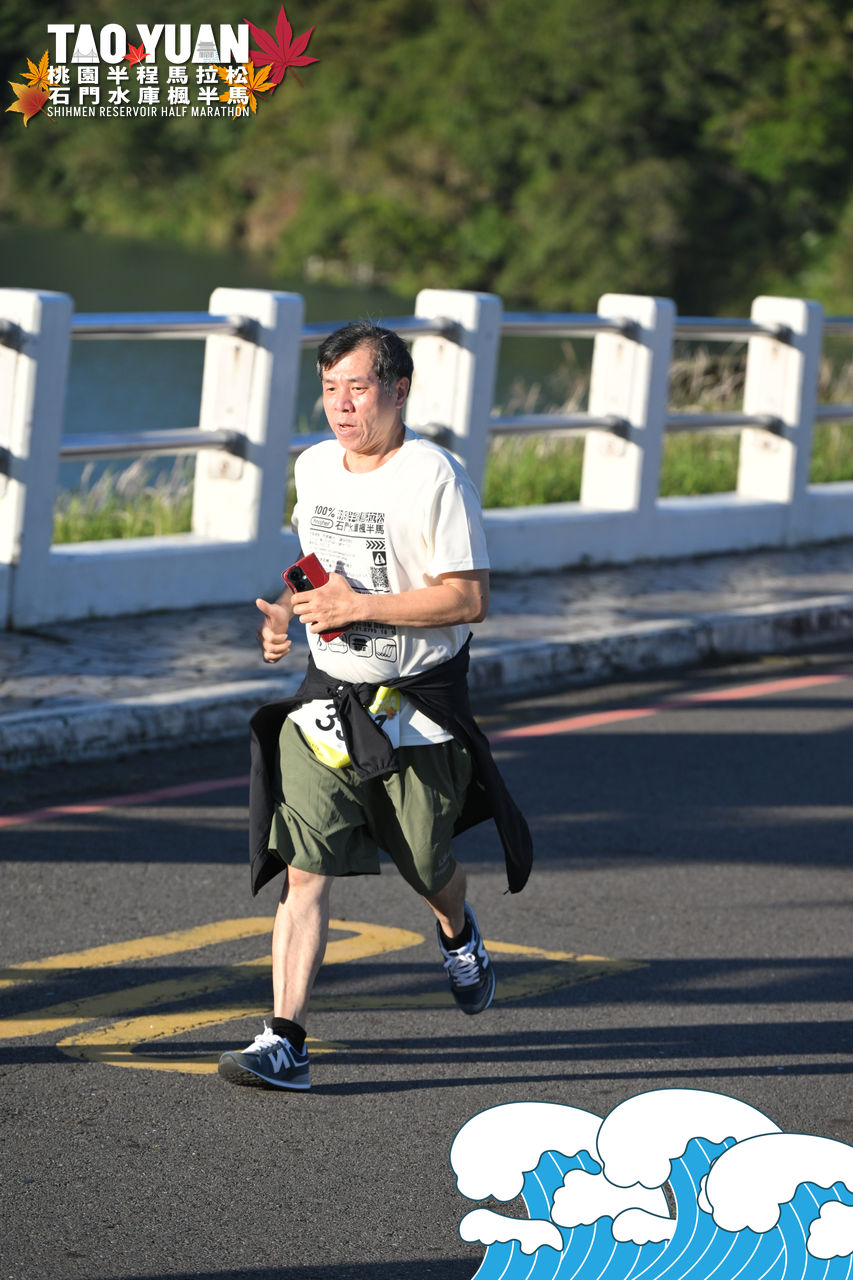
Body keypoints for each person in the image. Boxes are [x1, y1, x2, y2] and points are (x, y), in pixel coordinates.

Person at [218, 321, 532, 1092]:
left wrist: (361, 606)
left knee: (425, 861)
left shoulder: (435, 477)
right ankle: (285, 1040)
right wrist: (287, 612)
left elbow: (469, 599)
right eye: (329, 389)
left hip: (416, 703)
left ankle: (457, 932)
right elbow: (315, 567)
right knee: (304, 869)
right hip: (328, 698)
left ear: (398, 389)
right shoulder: (315, 467)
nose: (340, 405)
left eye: (356, 388)